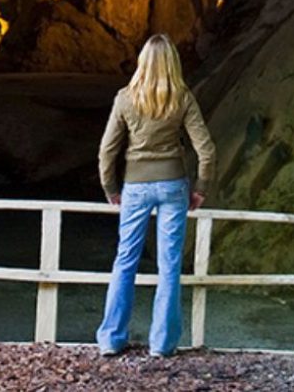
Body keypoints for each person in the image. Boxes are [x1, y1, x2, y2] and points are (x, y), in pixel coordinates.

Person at [96, 33, 216, 358]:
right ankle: (162, 344)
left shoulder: (125, 98)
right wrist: (201, 188)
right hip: (173, 185)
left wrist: (110, 189)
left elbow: (107, 151)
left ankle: (111, 339)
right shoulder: (183, 98)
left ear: (142, 63)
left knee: (125, 260)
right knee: (169, 265)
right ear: (172, 64)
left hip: (134, 187)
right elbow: (206, 150)